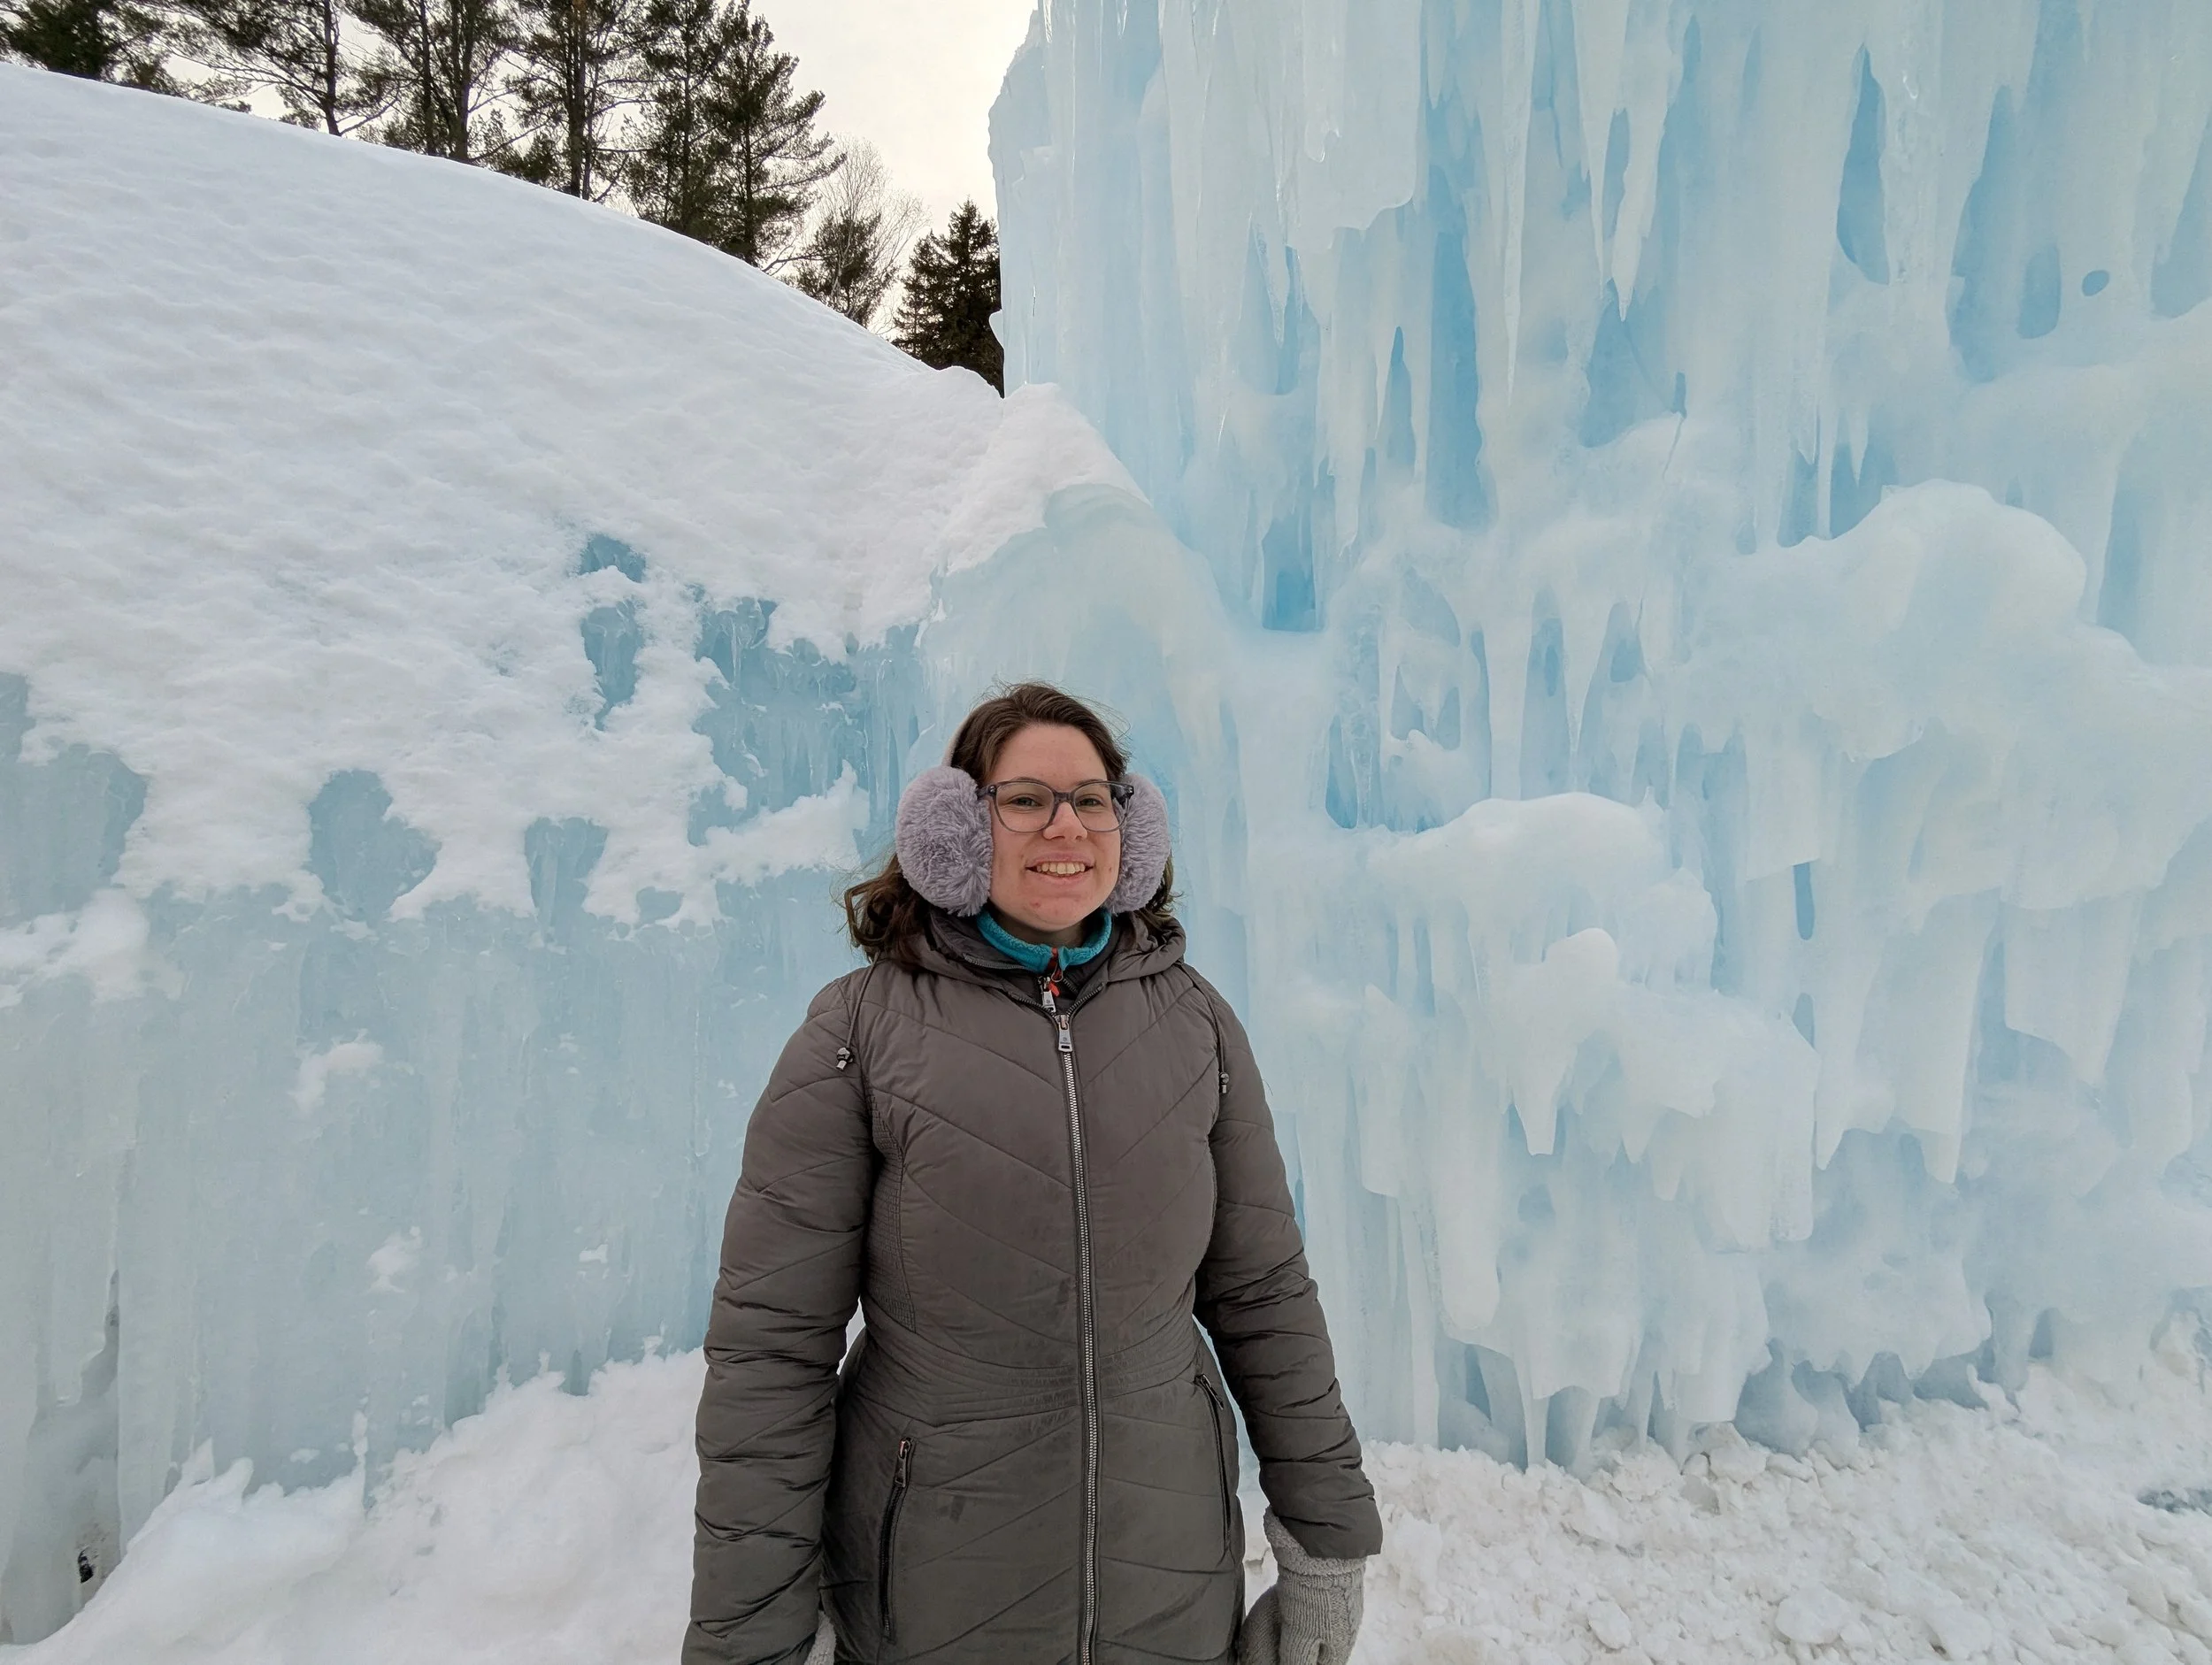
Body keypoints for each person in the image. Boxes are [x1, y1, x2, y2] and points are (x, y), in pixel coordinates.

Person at [685, 682, 1381, 1665]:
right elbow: (771, 1351)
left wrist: (1326, 1552)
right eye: (1025, 799)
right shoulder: (858, 1031)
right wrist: (751, 1635)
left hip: (1171, 1593)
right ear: (955, 830)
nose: (1066, 825)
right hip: (927, 1605)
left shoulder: (1194, 1023)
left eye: (1092, 798)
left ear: (1130, 832)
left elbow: (1265, 1296)